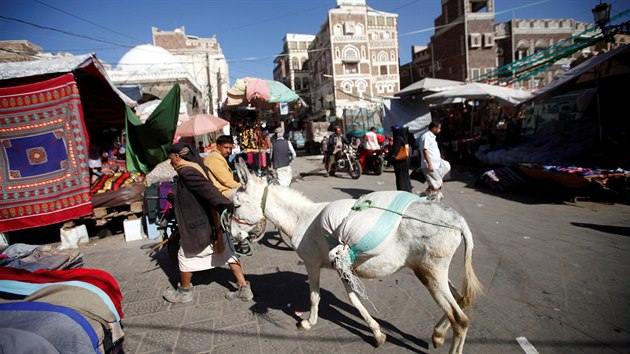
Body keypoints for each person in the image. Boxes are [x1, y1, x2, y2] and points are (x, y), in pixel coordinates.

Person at [163, 142, 253, 303]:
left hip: (200, 224)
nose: (171, 163)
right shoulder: (196, 166)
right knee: (228, 253)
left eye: (171, 159)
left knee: (184, 256)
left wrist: (229, 205)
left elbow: (208, 190)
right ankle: (244, 288)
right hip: (210, 222)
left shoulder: (187, 171)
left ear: (177, 157)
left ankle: (184, 292)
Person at [419, 121, 451, 202]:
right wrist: (430, 164)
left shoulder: (432, 137)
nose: (440, 130)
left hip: (435, 165)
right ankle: (432, 201)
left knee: (434, 184)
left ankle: (424, 198)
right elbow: (425, 150)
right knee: (437, 183)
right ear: (434, 128)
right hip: (429, 165)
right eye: (439, 128)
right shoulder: (426, 136)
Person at [392, 125, 413, 192]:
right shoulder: (405, 138)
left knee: (400, 177)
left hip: (400, 160)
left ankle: (402, 190)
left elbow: (396, 150)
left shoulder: (398, 138)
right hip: (406, 159)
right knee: (405, 175)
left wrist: (392, 156)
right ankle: (407, 189)